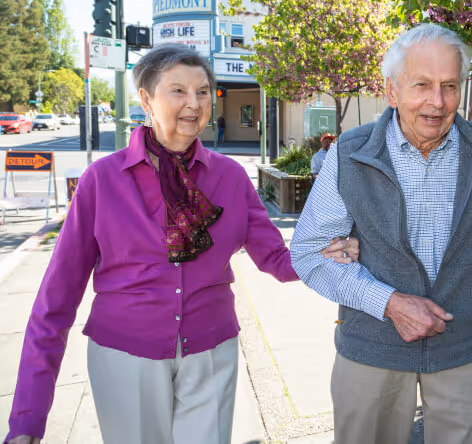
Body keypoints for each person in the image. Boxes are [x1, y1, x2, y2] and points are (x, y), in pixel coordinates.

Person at [5, 43, 359, 444]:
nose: (194, 103)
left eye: (203, 91)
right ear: (145, 100)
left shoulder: (229, 176)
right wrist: (28, 419)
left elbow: (275, 258)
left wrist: (326, 252)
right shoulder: (101, 181)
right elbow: (56, 300)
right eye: (178, 90)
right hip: (125, 356)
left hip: (210, 351)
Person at [290, 24, 472, 444]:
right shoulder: (350, 153)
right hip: (373, 345)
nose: (438, 102)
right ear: (391, 91)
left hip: (464, 344)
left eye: (449, 85)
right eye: (421, 85)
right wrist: (389, 302)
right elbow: (309, 252)